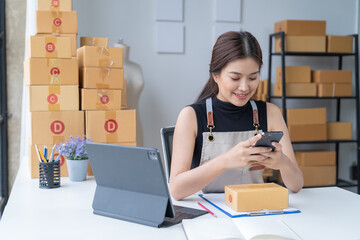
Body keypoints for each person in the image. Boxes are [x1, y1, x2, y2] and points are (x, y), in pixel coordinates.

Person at [169, 31, 304, 201]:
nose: (244, 87)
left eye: (253, 77)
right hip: (208, 213)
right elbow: (176, 189)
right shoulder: (191, 116)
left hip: (254, 208)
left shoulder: (270, 113)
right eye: (235, 78)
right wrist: (225, 161)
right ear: (215, 75)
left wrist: (282, 162)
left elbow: (297, 185)